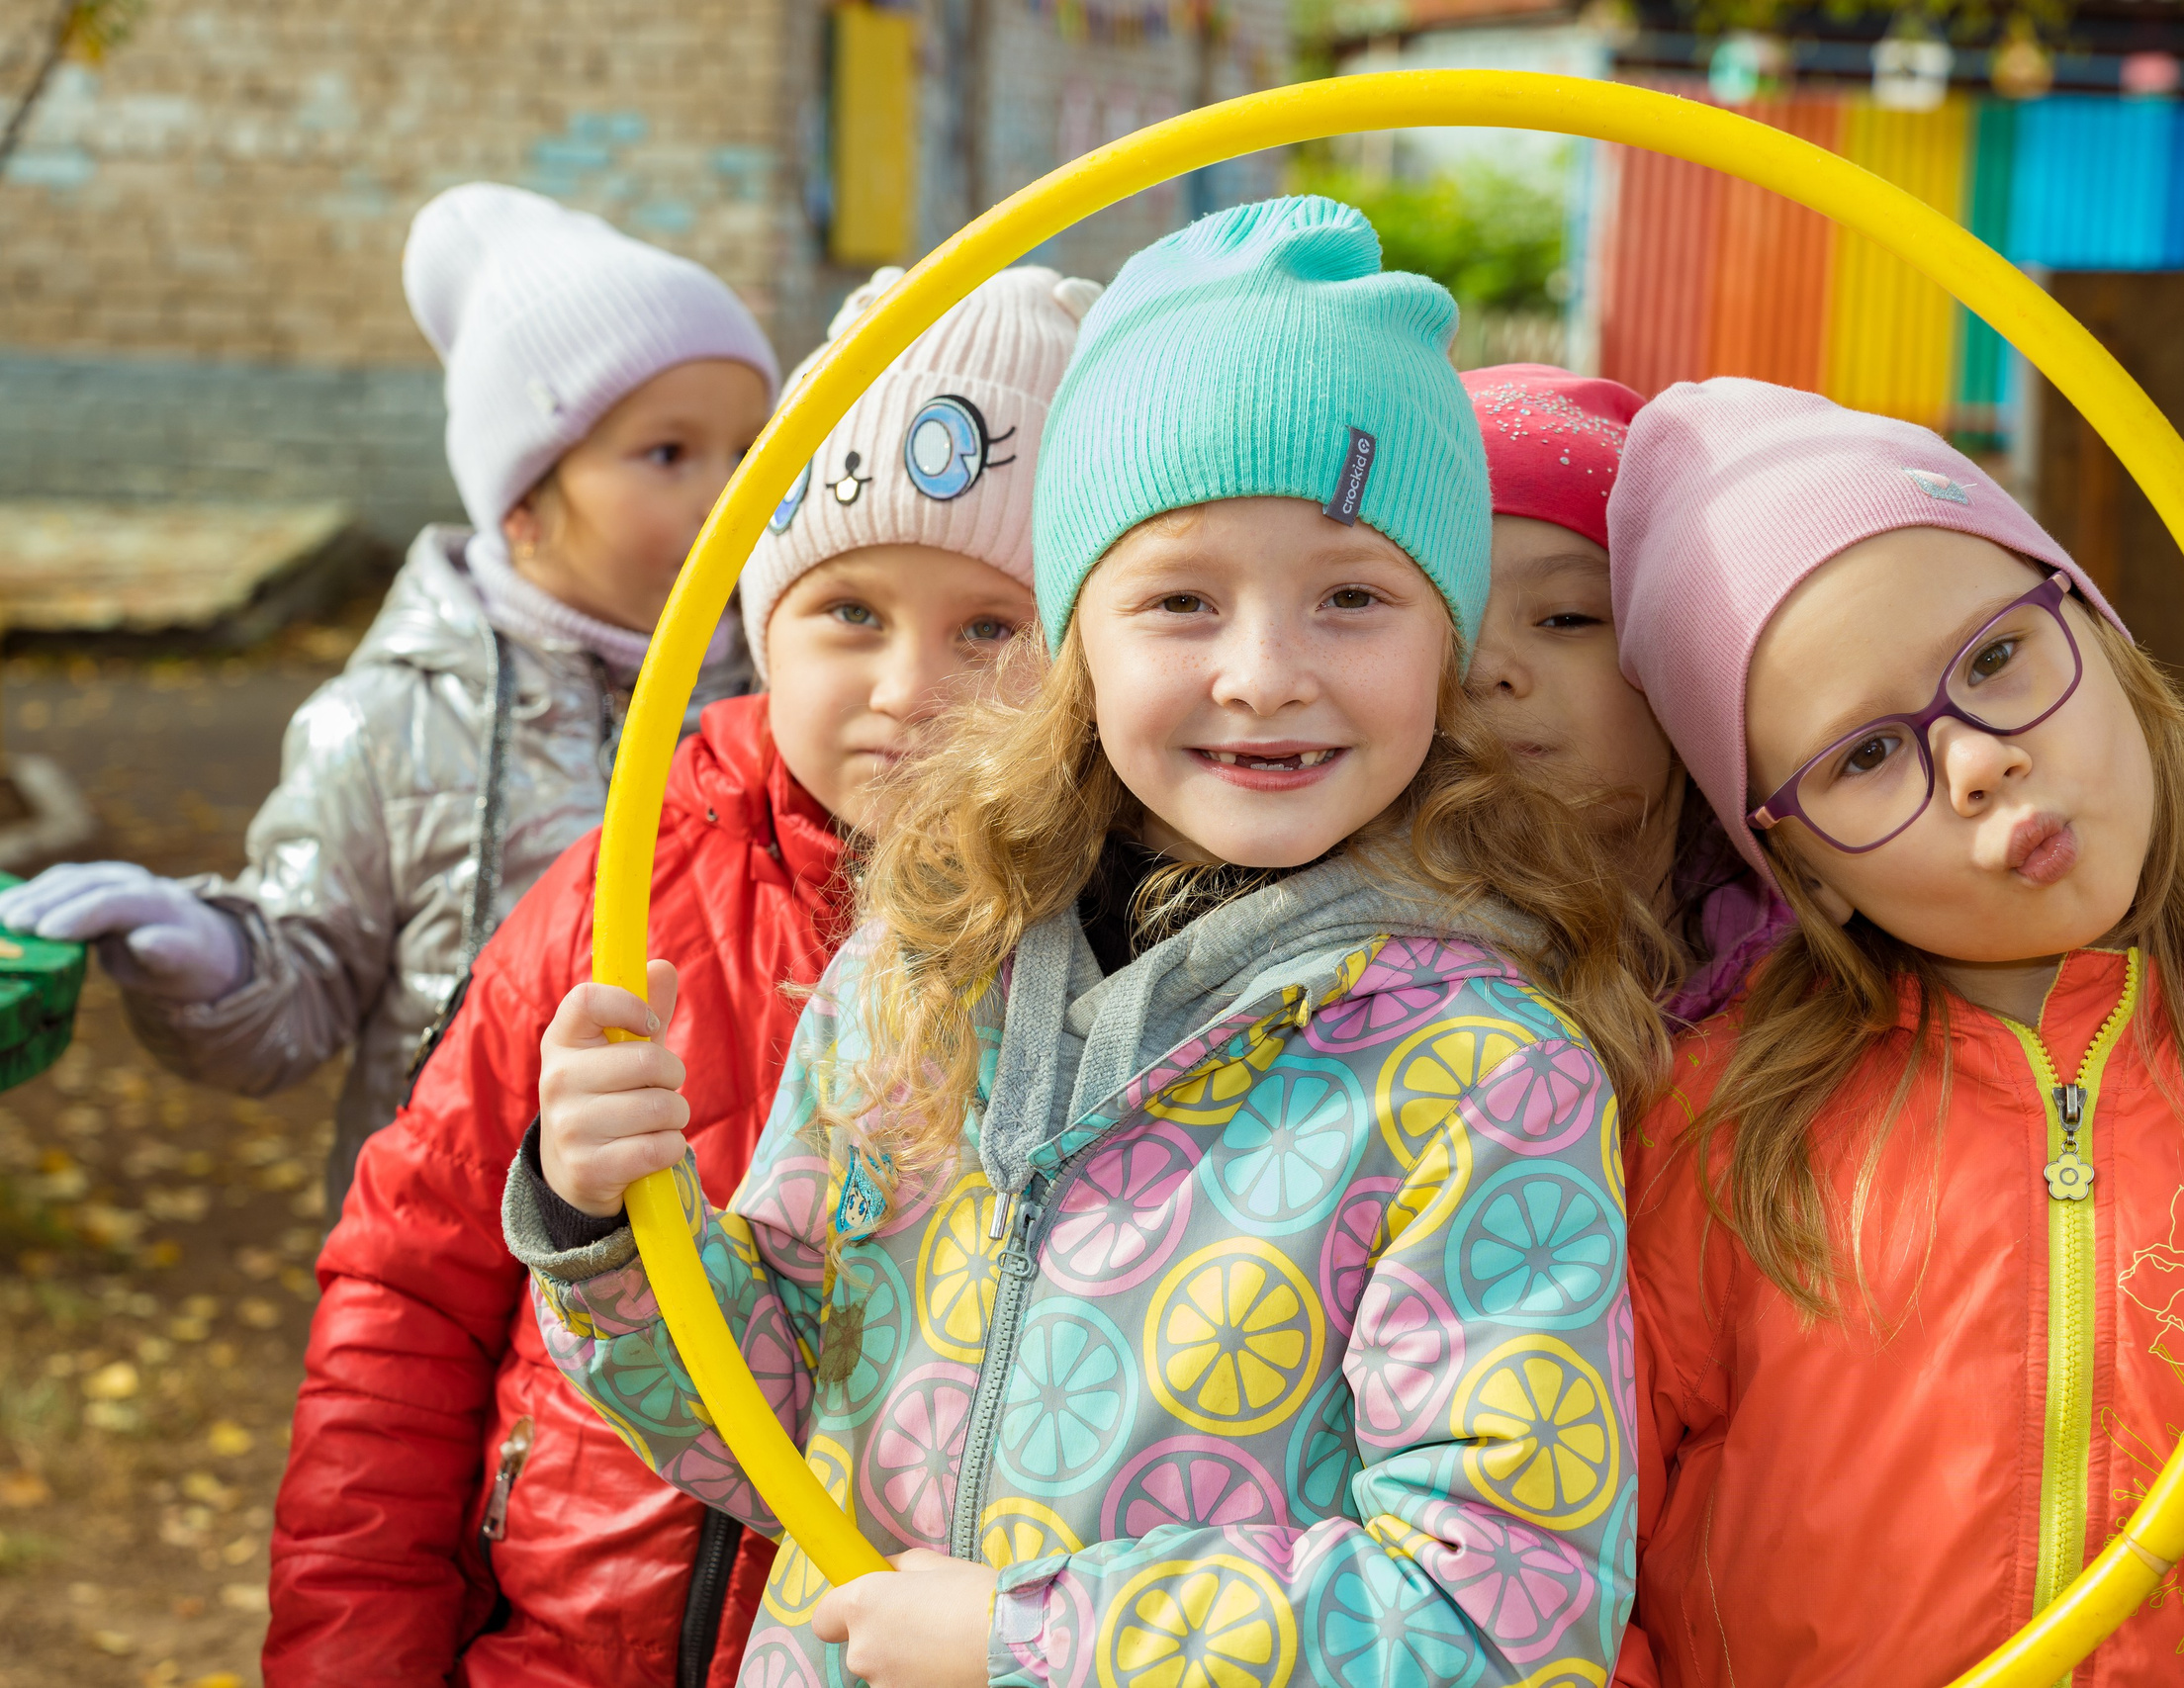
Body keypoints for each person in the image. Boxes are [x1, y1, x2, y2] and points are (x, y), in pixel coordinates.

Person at [511, 197, 1671, 1686]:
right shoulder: (919, 968)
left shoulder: (1486, 1074)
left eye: (1354, 597)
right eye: (1181, 597)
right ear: (1077, 638)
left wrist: (1032, 1642)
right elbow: (779, 1412)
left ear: (1445, 646)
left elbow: (1503, 1610)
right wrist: (611, 1227)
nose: (1262, 674)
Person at [1609, 379, 2184, 1684]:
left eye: (1995, 658)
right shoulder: (1707, 1135)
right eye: (1866, 754)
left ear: (2103, 639)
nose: (1981, 758)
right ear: (1798, 865)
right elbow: (1576, 1562)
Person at [260, 265, 1096, 1688]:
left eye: (991, 627)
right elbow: (409, 1293)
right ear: (764, 613)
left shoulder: (1112, 958)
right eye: (848, 610)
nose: (907, 687)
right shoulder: (619, 892)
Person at [0, 184, 774, 1211]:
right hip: (450, 1259)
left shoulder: (784, 702)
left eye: (751, 449)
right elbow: (303, 990)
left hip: (735, 1270)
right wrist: (221, 961)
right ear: (525, 500)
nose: (729, 494)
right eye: (669, 453)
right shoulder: (389, 725)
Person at [1460, 364, 1786, 1022]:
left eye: (1566, 617)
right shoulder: (1347, 991)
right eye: (1447, 627)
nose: (1484, 668)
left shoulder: (1829, 968)